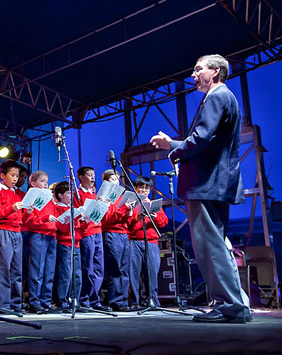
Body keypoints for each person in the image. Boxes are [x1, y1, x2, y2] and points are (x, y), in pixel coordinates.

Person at [150, 54, 250, 323]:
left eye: (198, 70)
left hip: (206, 182)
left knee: (210, 246)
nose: (193, 75)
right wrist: (173, 143)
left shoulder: (216, 96)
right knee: (217, 244)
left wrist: (174, 152)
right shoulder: (224, 96)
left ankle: (230, 305)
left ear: (215, 71)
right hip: (215, 181)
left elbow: (201, 138)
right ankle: (237, 303)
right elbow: (206, 138)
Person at [0, 159, 24, 313]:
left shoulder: (16, 193)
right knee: (3, 268)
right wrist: (11, 208)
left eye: (17, 176)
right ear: (2, 175)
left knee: (17, 270)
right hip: (4, 231)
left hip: (17, 232)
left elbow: (21, 217)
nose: (15, 179)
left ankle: (16, 303)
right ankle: (3, 304)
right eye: (13, 175)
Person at [127, 176, 168, 307]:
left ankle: (152, 300)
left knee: (151, 273)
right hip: (134, 241)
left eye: (146, 188)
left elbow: (164, 222)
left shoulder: (153, 204)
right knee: (134, 273)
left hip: (151, 242)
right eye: (141, 187)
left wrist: (155, 218)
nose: (144, 190)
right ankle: (134, 301)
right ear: (136, 188)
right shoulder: (131, 203)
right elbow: (126, 222)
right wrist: (136, 218)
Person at [75, 166, 111, 311]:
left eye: (93, 175)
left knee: (98, 268)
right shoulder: (78, 195)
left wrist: (103, 204)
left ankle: (95, 299)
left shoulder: (95, 194)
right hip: (86, 233)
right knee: (87, 268)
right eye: (89, 175)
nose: (92, 178)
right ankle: (84, 299)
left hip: (98, 231)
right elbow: (77, 215)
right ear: (81, 178)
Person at [22, 170, 58, 313]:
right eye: (42, 181)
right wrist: (44, 218)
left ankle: (46, 300)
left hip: (51, 235)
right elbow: (27, 220)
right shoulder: (31, 197)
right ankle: (34, 301)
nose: (45, 184)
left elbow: (54, 215)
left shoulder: (49, 198)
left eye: (46, 181)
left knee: (49, 271)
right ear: (33, 183)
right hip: (38, 235)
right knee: (37, 271)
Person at [100, 169, 134, 312]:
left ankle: (124, 300)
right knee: (115, 268)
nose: (116, 181)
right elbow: (107, 219)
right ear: (106, 181)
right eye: (113, 179)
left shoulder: (121, 197)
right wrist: (123, 209)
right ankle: (115, 300)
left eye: (117, 179)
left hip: (123, 233)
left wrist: (129, 212)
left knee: (125, 269)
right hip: (111, 233)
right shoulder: (104, 197)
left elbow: (126, 220)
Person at [51, 181, 83, 312]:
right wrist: (67, 221)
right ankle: (62, 300)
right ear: (60, 195)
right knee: (65, 274)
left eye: (72, 192)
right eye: (68, 193)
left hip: (76, 243)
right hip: (65, 243)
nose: (71, 195)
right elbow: (60, 229)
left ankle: (74, 299)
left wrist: (84, 219)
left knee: (77, 274)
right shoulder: (58, 208)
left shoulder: (73, 209)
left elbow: (79, 229)